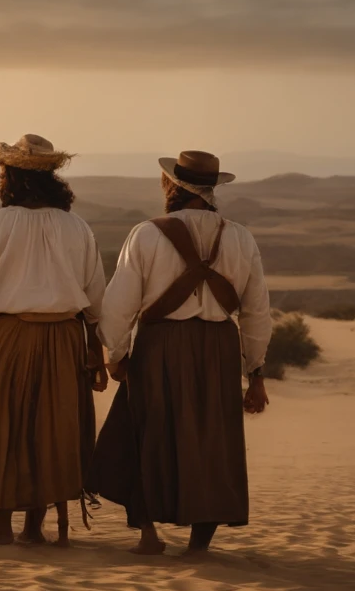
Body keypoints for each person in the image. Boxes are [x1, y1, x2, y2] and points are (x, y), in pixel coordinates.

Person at [88, 151, 271, 555]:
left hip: (160, 345)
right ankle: (199, 545)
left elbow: (119, 304)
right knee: (212, 442)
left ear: (172, 187)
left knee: (149, 435)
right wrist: (255, 371)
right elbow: (257, 310)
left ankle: (149, 535)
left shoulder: (148, 234)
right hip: (219, 349)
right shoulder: (240, 237)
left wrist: (115, 354)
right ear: (211, 190)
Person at [0, 134, 107, 547]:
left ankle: (2, 525)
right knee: (52, 430)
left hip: (7, 337)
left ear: (9, 177)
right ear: (53, 179)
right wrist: (97, 344)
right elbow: (96, 296)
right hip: (64, 338)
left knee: (3, 425)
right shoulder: (78, 227)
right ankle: (35, 527)